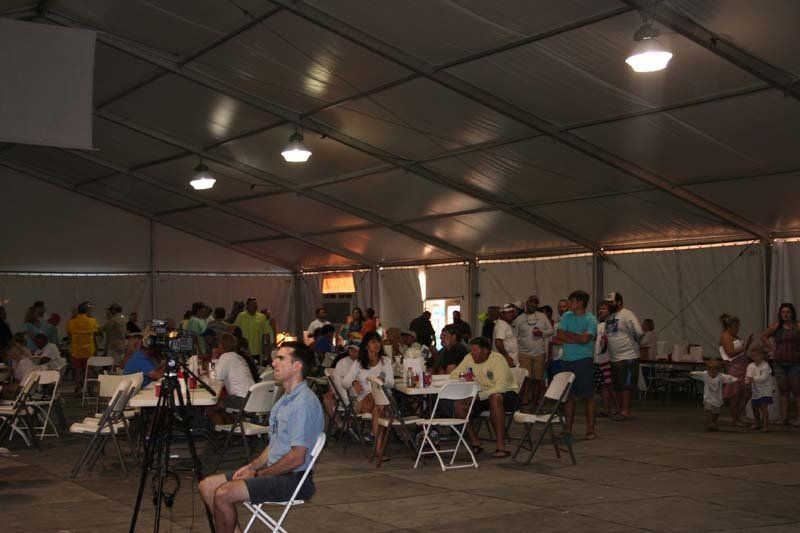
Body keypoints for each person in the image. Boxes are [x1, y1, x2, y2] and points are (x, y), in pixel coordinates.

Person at [199, 342, 323, 533]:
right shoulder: (285, 400)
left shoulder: (303, 403)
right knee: (207, 486)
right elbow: (274, 446)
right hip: (276, 473)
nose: (274, 363)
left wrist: (258, 474)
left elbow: (297, 457)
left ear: (297, 366)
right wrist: (251, 467)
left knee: (223, 493)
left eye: (281, 358)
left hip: (294, 480)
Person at [451, 337, 519, 458]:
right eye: (471, 350)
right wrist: (465, 376)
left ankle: (500, 446)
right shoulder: (469, 358)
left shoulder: (497, 359)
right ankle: (475, 441)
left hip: (507, 394)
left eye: (475, 350)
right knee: (459, 406)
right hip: (482, 395)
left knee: (495, 397)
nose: (472, 353)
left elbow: (501, 387)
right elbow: (454, 375)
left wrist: (480, 396)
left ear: (485, 351)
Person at [557, 290, 598, 439]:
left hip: (583, 361)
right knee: (569, 396)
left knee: (588, 396)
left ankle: (590, 430)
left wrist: (570, 336)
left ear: (580, 303)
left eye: (572, 301)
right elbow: (559, 335)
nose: (569, 304)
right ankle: (568, 429)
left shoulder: (591, 319)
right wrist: (577, 338)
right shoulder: (567, 316)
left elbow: (586, 339)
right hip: (567, 361)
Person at [341, 331, 393, 441]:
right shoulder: (359, 363)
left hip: (383, 400)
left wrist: (383, 381)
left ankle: (377, 445)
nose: (377, 344)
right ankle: (378, 445)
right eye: (373, 342)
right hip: (364, 401)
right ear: (366, 345)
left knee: (377, 409)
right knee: (375, 401)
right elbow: (344, 383)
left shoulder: (385, 361)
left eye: (378, 341)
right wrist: (354, 382)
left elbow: (391, 383)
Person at [604, 292, 642, 421]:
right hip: (615, 358)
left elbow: (639, 331)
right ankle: (621, 410)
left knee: (626, 386)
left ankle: (625, 411)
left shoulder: (627, 314)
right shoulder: (610, 317)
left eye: (611, 302)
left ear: (619, 302)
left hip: (628, 356)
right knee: (618, 386)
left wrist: (635, 343)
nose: (609, 304)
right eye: (608, 302)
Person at [761, 303, 800, 426]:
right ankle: (784, 418)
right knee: (783, 391)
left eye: (788, 312)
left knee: (797, 391)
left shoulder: (798, 326)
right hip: (779, 362)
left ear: (792, 313)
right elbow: (763, 336)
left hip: (795, 362)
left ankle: (799, 418)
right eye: (783, 312)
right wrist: (772, 347)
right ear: (780, 314)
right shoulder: (777, 326)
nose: (786, 314)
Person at [208, 333, 256, 426]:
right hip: (252, 397)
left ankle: (225, 435)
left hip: (240, 399)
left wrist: (213, 357)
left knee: (211, 409)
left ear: (221, 345)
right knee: (223, 407)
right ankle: (233, 432)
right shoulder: (237, 356)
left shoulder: (226, 357)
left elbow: (215, 378)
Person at [514, 295, 552, 405]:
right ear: (527, 303)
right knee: (526, 379)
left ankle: (536, 400)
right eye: (531, 302)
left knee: (538, 379)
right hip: (524, 353)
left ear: (537, 305)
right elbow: (515, 336)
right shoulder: (519, 318)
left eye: (535, 303)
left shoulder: (542, 316)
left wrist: (542, 333)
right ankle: (525, 399)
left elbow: (551, 330)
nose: (532, 305)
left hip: (539, 353)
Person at [719, 313, 752, 427]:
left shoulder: (735, 336)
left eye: (738, 326)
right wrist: (745, 346)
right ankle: (735, 418)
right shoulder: (725, 337)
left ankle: (738, 416)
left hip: (742, 367)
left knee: (746, 393)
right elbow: (730, 353)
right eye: (736, 327)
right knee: (735, 395)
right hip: (734, 368)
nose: (738, 329)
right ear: (730, 326)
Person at [690, 360, 737, 431]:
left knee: (716, 412)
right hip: (708, 397)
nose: (712, 372)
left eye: (715, 370)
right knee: (708, 409)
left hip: (718, 398)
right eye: (710, 370)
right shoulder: (705, 375)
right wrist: (691, 374)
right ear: (707, 369)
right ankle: (710, 423)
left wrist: (737, 380)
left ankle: (714, 421)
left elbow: (730, 378)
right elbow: (697, 374)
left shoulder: (721, 376)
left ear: (718, 370)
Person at [68, 301, 98, 393]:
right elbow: (96, 331)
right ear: (86, 311)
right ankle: (91, 389)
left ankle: (78, 388)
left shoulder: (72, 322)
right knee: (89, 369)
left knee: (78, 370)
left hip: (76, 350)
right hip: (89, 350)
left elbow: (69, 333)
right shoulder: (92, 321)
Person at [746, 344, 773, 432]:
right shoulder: (750, 366)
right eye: (753, 356)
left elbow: (764, 378)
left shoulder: (766, 366)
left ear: (762, 355)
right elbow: (748, 376)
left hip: (766, 389)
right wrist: (747, 383)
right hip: (755, 390)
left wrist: (752, 379)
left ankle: (765, 426)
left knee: (763, 407)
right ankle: (758, 423)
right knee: (754, 407)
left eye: (757, 355)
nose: (755, 358)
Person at [594, 302, 614, 417]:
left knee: (609, 386)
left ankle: (614, 408)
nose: (601, 311)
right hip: (597, 360)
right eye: (599, 309)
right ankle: (606, 409)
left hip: (607, 359)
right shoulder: (598, 325)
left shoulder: (611, 325)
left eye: (604, 309)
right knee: (602, 386)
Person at [547, 299, 570, 380]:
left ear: (568, 308)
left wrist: (558, 340)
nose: (561, 309)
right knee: (556, 382)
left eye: (564, 306)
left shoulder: (572, 322)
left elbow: (571, 340)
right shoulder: (556, 323)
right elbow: (551, 339)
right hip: (555, 357)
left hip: (566, 357)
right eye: (560, 307)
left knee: (565, 382)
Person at [493, 303, 519, 367]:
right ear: (502, 314)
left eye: (512, 312)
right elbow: (498, 343)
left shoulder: (505, 324)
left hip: (507, 361)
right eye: (509, 312)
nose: (512, 314)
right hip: (506, 362)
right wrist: (507, 357)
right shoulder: (502, 325)